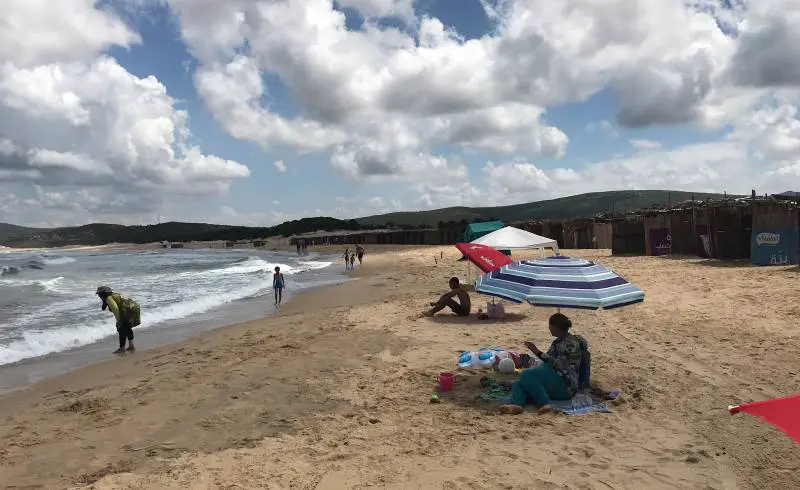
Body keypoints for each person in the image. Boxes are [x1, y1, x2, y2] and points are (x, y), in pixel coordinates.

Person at [498, 313, 588, 415]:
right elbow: (548, 360)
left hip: (566, 384)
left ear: (555, 327)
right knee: (519, 384)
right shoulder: (558, 342)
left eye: (550, 326)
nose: (549, 328)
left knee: (526, 375)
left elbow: (560, 365)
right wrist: (537, 354)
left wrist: (538, 352)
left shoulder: (570, 343)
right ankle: (516, 405)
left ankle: (545, 404)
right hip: (556, 380)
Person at [96, 285, 141, 355]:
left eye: (99, 294)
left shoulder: (108, 298)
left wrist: (119, 322)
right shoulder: (115, 294)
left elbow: (116, 309)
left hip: (128, 311)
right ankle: (131, 345)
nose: (99, 296)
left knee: (121, 329)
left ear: (103, 294)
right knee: (127, 327)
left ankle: (122, 348)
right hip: (134, 308)